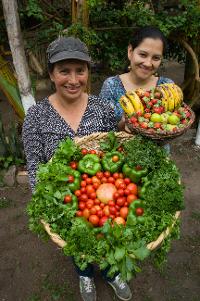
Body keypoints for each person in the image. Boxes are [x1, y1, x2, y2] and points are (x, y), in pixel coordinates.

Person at [22, 36, 132, 301]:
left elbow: (121, 138)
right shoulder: (36, 117)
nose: (73, 79)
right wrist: (45, 205)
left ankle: (109, 273)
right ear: (51, 74)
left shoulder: (103, 108)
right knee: (77, 245)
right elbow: (35, 164)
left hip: (105, 198)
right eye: (64, 71)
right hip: (65, 201)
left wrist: (134, 125)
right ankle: (84, 275)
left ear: (87, 73)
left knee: (106, 241)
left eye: (80, 71)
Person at [99, 26, 174, 122]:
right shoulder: (111, 86)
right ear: (130, 52)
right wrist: (122, 125)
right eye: (143, 55)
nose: (148, 63)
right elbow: (102, 125)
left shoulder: (167, 87)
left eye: (156, 58)